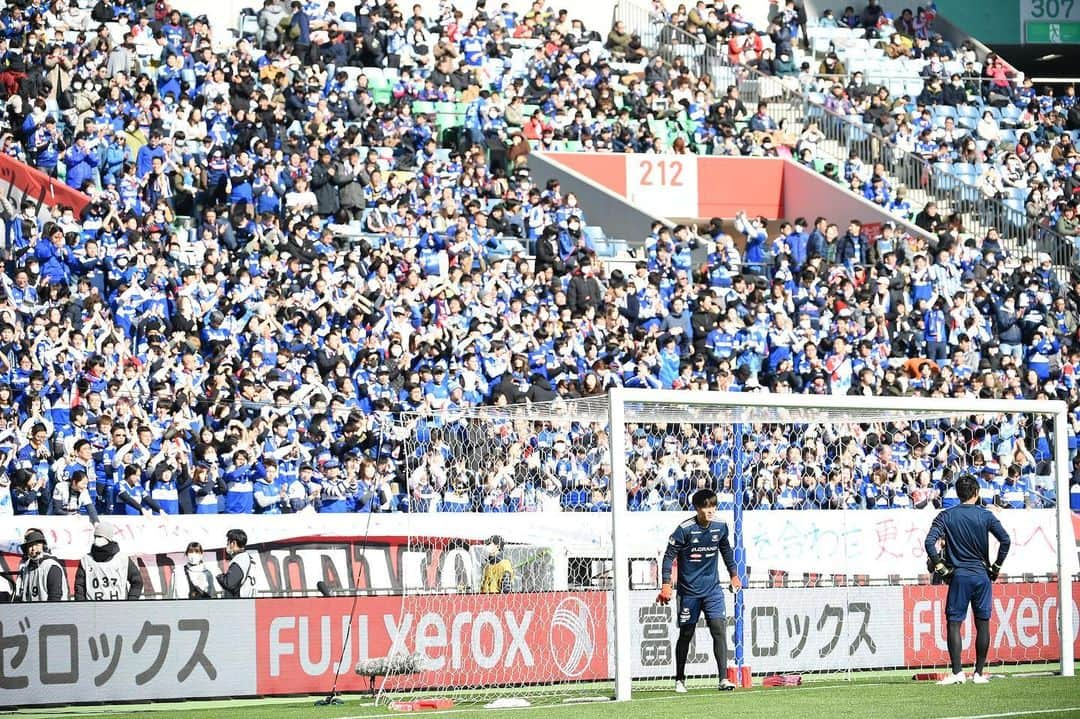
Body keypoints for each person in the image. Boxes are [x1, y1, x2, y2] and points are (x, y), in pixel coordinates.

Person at [923, 474, 1011, 685]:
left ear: (957, 494)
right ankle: (979, 673)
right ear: (977, 493)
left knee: (954, 624)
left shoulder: (946, 516)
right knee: (983, 624)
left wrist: (941, 567)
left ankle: (957, 672)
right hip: (982, 575)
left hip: (959, 576)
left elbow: (929, 542)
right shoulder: (986, 515)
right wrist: (996, 567)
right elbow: (1005, 540)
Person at [658, 488, 742, 693]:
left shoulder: (721, 526)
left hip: (712, 590)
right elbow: (669, 556)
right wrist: (666, 584)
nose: (710, 510)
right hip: (688, 592)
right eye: (706, 507)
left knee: (719, 629)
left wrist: (734, 574)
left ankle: (723, 679)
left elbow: (726, 550)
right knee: (686, 633)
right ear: (697, 508)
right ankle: (680, 679)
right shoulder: (684, 529)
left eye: (713, 506)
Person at [74, 521, 143, 600]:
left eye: (101, 536)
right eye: (96, 536)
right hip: (93, 609)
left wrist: (130, 601)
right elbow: (79, 587)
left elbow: (137, 581)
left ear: (108, 539)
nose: (97, 539)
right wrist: (82, 606)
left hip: (118, 609)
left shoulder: (122, 559)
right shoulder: (86, 560)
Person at [15, 528, 68, 602]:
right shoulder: (27, 567)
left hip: (51, 611)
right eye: (30, 546)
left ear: (43, 546)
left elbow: (55, 598)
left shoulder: (51, 566)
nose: (33, 548)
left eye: (36, 545)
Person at [216, 528, 256, 598]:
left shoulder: (240, 560)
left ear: (233, 543)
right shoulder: (246, 557)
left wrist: (219, 577)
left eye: (228, 543)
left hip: (238, 603)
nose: (227, 546)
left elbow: (230, 583)